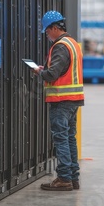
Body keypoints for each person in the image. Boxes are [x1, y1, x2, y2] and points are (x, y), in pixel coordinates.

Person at [33, 10, 84, 191]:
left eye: (47, 31)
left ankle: (64, 178)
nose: (47, 35)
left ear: (55, 28)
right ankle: (73, 177)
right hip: (73, 100)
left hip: (62, 101)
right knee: (70, 138)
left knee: (61, 138)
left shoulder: (61, 46)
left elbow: (53, 74)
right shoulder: (73, 44)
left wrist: (40, 71)